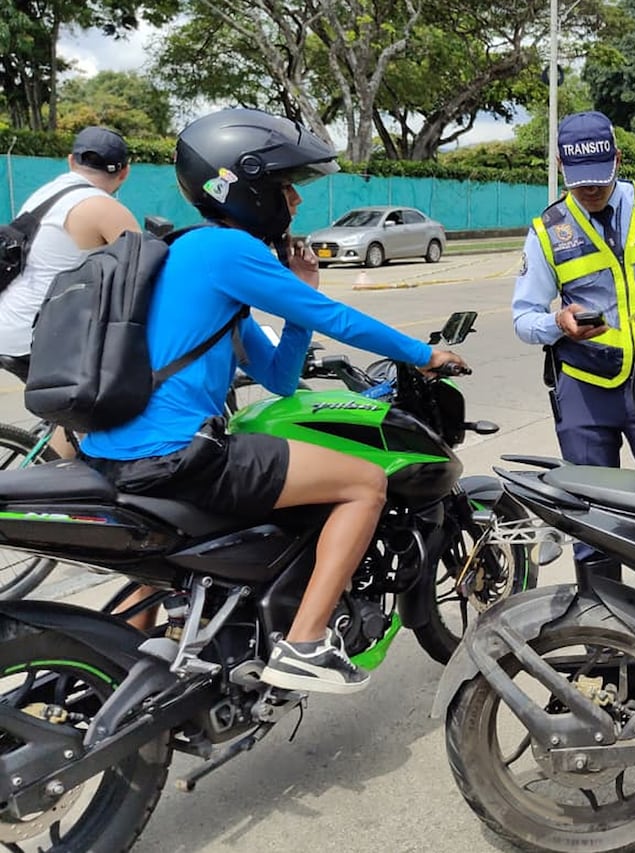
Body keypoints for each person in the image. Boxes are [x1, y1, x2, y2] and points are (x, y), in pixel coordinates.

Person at [78, 108, 468, 694]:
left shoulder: (190, 256)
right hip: (174, 454)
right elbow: (339, 319)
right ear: (247, 189)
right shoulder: (227, 251)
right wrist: (423, 354)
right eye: (286, 187)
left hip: (115, 453)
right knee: (364, 483)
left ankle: (120, 679)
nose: (296, 202)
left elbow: (280, 377)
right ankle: (306, 643)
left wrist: (300, 297)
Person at [512, 110, 635, 581]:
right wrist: (558, 322)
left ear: (618, 159)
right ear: (561, 166)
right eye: (580, 183)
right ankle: (603, 622)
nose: (591, 191)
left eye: (600, 179)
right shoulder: (547, 231)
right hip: (584, 389)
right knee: (591, 519)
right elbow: (523, 317)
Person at [0, 126, 139, 454]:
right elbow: (147, 267)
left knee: (78, 406)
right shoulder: (103, 207)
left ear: (71, 161)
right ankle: (59, 491)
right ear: (125, 172)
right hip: (34, 336)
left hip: (10, 323)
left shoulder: (49, 194)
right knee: (98, 410)